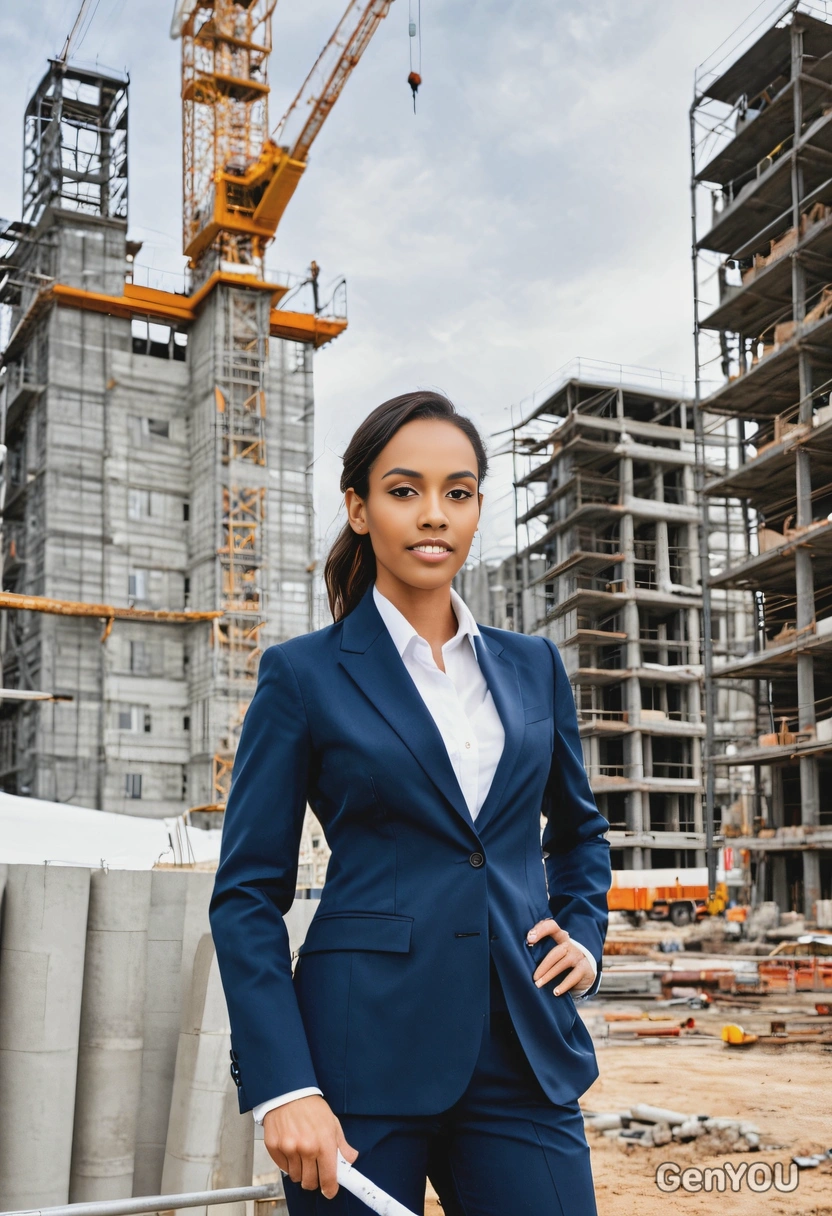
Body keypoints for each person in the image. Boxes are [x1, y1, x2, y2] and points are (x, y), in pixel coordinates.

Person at [209, 390, 612, 1215]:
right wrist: (284, 1085)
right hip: (357, 1056)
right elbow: (247, 894)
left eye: (457, 492)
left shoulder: (535, 666)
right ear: (359, 509)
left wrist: (586, 935)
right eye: (404, 490)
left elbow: (580, 831)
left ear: (476, 509)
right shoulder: (303, 674)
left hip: (522, 1046)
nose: (434, 514)